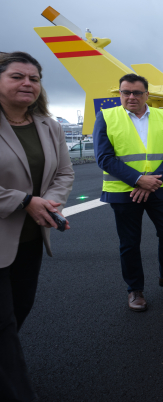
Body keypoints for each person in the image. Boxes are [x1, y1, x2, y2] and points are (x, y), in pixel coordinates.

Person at [0, 52, 74, 402]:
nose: (27, 83)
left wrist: (49, 203)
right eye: (17, 76)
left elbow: (64, 173)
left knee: (20, 310)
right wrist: (25, 200)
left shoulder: (49, 125)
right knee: (3, 326)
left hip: (30, 239)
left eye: (34, 78)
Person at [94, 73, 163, 313]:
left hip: (158, 189)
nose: (131, 97)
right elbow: (104, 157)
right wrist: (139, 180)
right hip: (124, 192)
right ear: (120, 93)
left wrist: (152, 182)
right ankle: (135, 289)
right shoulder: (106, 116)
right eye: (125, 92)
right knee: (130, 242)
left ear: (147, 95)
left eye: (137, 92)